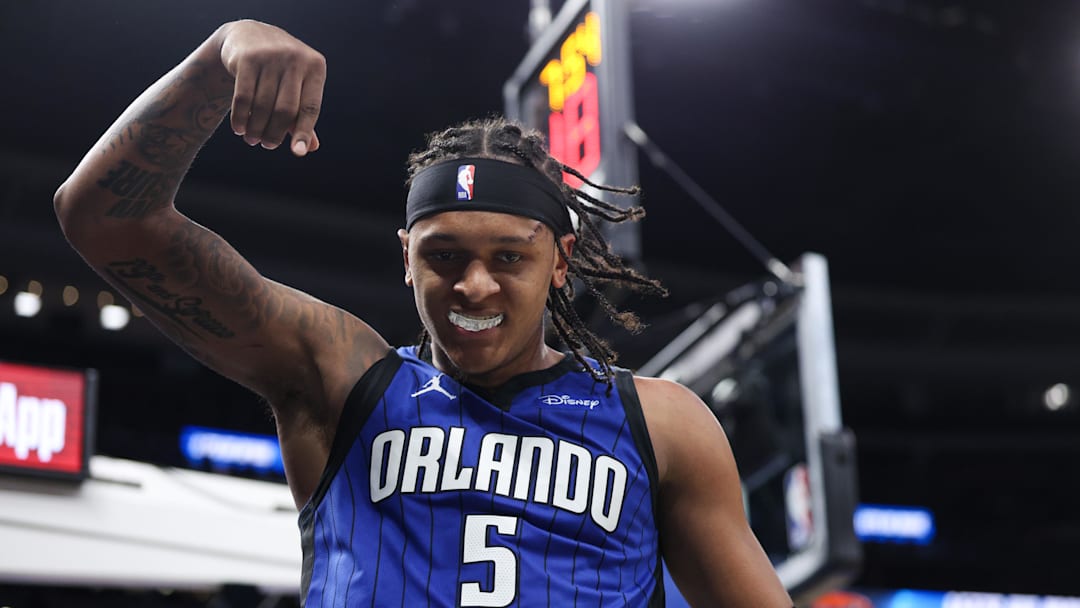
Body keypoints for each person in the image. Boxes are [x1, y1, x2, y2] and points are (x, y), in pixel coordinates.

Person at [54, 19, 793, 607]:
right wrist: (217, 60)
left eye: (509, 258)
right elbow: (103, 221)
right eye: (445, 256)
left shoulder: (661, 424)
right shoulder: (341, 379)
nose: (474, 286)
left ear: (560, 261)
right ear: (407, 256)